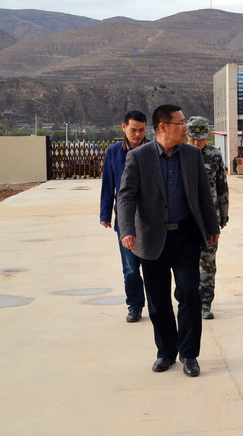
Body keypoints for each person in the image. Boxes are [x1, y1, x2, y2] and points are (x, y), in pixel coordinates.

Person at [117, 104, 221, 377]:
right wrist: (127, 229)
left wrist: (212, 227)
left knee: (189, 294)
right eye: (180, 123)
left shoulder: (191, 155)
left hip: (186, 236)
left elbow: (203, 195)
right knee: (158, 300)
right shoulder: (138, 157)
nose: (186, 128)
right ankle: (166, 352)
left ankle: (189, 354)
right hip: (152, 239)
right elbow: (126, 196)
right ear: (163, 127)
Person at [99, 110, 149, 323]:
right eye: (133, 130)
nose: (137, 134)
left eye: (142, 130)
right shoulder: (113, 153)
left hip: (150, 219)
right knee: (130, 268)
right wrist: (105, 213)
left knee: (152, 267)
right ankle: (135, 306)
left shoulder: (153, 150)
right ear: (123, 128)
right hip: (126, 220)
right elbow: (108, 184)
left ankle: (156, 305)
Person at [186, 116, 229, 320]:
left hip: (209, 218)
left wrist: (224, 214)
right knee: (186, 263)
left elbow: (222, 186)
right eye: (193, 138)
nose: (196, 143)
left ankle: (205, 303)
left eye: (201, 139)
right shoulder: (179, 154)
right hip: (185, 218)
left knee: (208, 262)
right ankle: (189, 301)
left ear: (207, 136)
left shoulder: (215, 155)